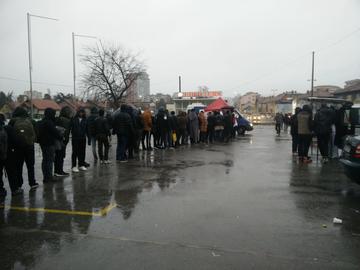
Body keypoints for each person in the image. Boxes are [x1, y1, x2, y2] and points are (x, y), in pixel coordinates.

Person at [9, 107, 38, 189]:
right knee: (30, 166)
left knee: (18, 166)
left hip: (17, 147)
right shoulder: (31, 120)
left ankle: (19, 184)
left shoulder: (12, 121)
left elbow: (9, 133)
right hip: (29, 146)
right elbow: (36, 132)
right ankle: (32, 183)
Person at [0, 114, 23, 197]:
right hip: (8, 155)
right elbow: (16, 141)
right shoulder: (8, 128)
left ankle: (1, 191)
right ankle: (15, 189)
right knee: (11, 172)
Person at [37, 108, 62, 183]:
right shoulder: (49, 122)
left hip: (42, 143)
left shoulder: (41, 122)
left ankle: (46, 177)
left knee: (45, 160)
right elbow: (55, 132)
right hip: (49, 143)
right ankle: (49, 178)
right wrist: (61, 136)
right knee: (49, 161)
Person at [54, 106, 72, 176]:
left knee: (57, 155)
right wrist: (65, 139)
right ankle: (60, 171)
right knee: (61, 156)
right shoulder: (66, 120)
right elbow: (66, 132)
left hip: (57, 139)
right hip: (63, 140)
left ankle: (56, 171)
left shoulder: (58, 118)